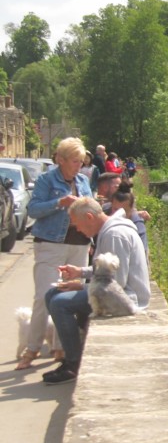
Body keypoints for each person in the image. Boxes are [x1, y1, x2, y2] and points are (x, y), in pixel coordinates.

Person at [43, 197, 150, 385]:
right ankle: (73, 353)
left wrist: (80, 285)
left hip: (127, 298)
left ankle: (73, 364)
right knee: (51, 295)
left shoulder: (114, 236)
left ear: (90, 217)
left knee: (60, 303)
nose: (77, 230)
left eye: (77, 224)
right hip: (114, 291)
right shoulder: (107, 231)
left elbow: (117, 282)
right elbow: (106, 272)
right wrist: (80, 272)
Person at [16, 137, 93, 370]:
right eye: (74, 161)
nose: (78, 166)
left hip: (79, 243)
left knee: (67, 297)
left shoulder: (83, 180)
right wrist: (60, 202)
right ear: (60, 159)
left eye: (81, 161)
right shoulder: (46, 180)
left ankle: (60, 347)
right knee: (44, 295)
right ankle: (32, 347)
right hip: (51, 243)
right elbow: (34, 209)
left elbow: (90, 209)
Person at [110, 183, 148, 256]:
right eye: (115, 209)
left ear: (132, 209)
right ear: (111, 204)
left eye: (124, 211)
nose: (119, 214)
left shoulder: (137, 223)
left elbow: (142, 251)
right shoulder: (106, 211)